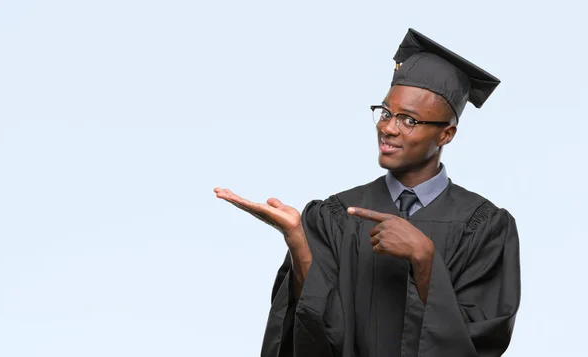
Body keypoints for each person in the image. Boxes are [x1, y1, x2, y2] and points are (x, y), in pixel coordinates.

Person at [214, 28, 521, 357]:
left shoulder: (485, 227)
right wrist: (298, 242)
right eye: (387, 113)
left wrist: (424, 259)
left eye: (409, 120)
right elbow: (312, 336)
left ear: (446, 134)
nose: (388, 128)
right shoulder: (334, 216)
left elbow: (481, 340)